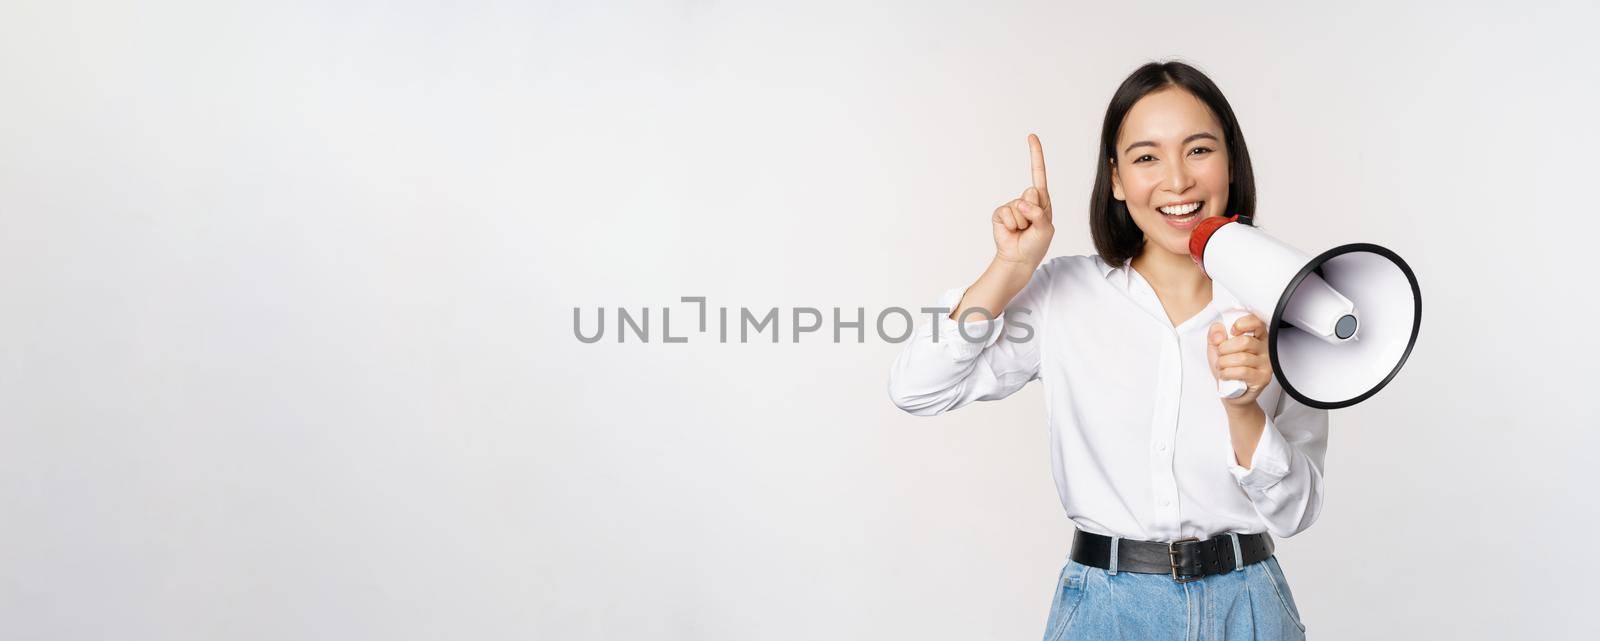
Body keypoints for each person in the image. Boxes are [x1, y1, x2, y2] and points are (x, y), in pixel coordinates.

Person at [886, 61, 1326, 641]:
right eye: (1147, 157)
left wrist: (1244, 412)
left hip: (1247, 609)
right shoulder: (1064, 297)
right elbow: (918, 388)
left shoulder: (1291, 304)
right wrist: (1010, 268)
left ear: (1230, 162)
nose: (1177, 181)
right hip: (1107, 611)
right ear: (1116, 180)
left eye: (1198, 150)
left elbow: (1295, 513)